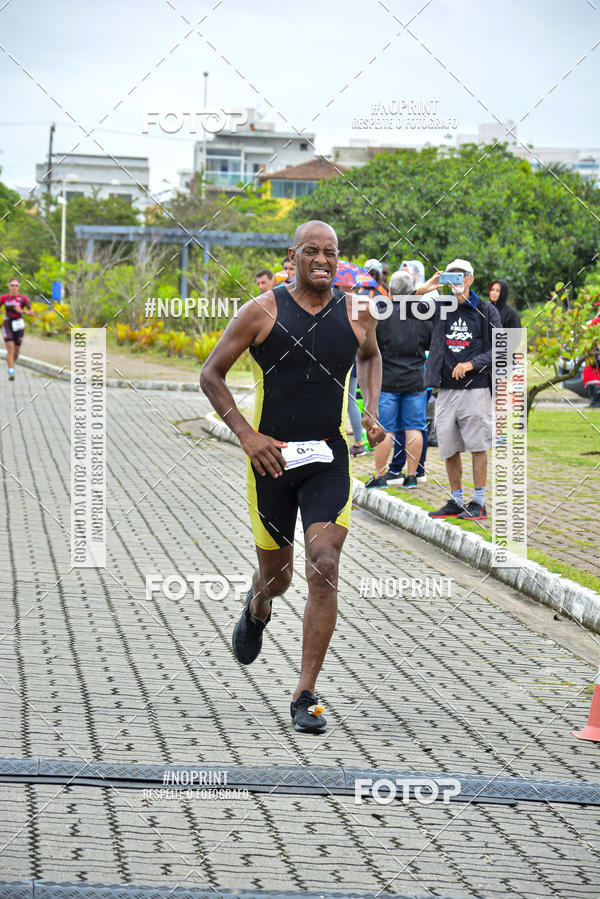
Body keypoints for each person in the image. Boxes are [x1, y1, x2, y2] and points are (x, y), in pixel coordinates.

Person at [200, 220, 385, 733]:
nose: (322, 260)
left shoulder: (357, 312)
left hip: (328, 458)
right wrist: (247, 436)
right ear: (293, 255)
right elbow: (209, 373)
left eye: (331, 251)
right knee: (278, 578)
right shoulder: (262, 311)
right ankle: (257, 604)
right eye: (312, 251)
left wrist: (369, 410)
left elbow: (371, 357)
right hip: (271, 462)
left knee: (323, 564)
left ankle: (305, 693)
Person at [418, 259, 501, 520]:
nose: (455, 281)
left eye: (459, 276)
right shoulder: (441, 306)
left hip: (475, 389)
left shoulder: (486, 310)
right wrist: (426, 288)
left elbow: (502, 347)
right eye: (450, 276)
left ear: (470, 279)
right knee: (448, 446)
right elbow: (404, 311)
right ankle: (456, 500)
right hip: (445, 390)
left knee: (478, 445)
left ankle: (478, 502)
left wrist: (471, 364)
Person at [365, 270, 432, 490]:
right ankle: (411, 476)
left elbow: (373, 348)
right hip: (415, 379)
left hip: (388, 380)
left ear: (390, 290)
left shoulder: (381, 315)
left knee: (385, 429)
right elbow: (429, 345)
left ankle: (380, 476)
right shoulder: (422, 314)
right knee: (414, 427)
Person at [1, 277, 33, 380]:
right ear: (9, 286)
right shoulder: (4, 298)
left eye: (16, 285)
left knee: (16, 352)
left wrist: (22, 311)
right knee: (10, 348)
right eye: (12, 285)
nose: (14, 287)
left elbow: (32, 312)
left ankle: (11, 364)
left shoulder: (23, 299)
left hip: (19, 325)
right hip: (7, 324)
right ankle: (11, 372)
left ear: (18, 287)